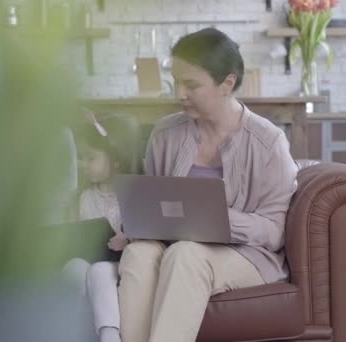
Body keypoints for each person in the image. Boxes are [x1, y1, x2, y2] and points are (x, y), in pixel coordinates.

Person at [117, 28, 299, 342]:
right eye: (175, 81)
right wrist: (134, 226)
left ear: (227, 84)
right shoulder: (165, 134)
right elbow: (151, 206)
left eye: (191, 85)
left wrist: (217, 220)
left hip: (247, 256)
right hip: (174, 249)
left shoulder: (268, 141)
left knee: (187, 254)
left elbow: (275, 231)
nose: (179, 94)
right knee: (139, 253)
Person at [62, 113, 140, 342]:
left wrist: (128, 238)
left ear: (115, 160)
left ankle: (109, 335)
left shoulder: (132, 194)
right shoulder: (83, 197)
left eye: (90, 158)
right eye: (82, 158)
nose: (83, 165)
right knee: (74, 267)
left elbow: (148, 231)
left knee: (98, 271)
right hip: (88, 258)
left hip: (118, 264)